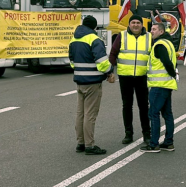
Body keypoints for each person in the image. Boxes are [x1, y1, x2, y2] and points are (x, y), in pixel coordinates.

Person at [69, 16, 113, 155]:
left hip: (79, 80)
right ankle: (90, 145)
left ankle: (80, 143)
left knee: (80, 113)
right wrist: (109, 72)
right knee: (90, 114)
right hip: (92, 82)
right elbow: (102, 62)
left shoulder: (74, 39)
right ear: (94, 27)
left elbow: (71, 60)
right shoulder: (94, 39)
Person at [109, 14, 152, 145]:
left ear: (142, 25)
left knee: (144, 107)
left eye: (138, 23)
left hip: (142, 77)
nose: (135, 25)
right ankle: (128, 134)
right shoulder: (122, 36)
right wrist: (111, 71)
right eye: (133, 22)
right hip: (125, 77)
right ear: (129, 25)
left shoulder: (149, 37)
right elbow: (113, 54)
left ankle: (147, 134)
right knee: (127, 106)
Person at [140, 22, 178, 152]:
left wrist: (172, 72)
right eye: (151, 29)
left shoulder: (159, 45)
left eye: (154, 29)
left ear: (161, 32)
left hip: (159, 85)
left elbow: (167, 62)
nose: (152, 31)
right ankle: (168, 143)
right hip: (167, 84)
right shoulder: (168, 43)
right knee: (167, 114)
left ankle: (154, 143)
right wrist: (173, 74)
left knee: (153, 113)